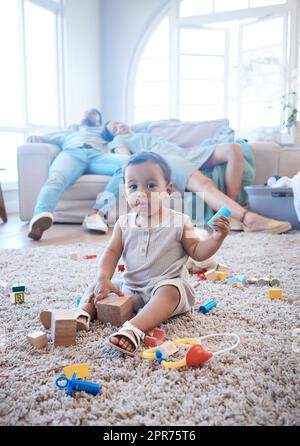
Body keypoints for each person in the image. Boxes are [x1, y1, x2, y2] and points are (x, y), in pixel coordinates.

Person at [77, 152, 231, 355]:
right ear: (126, 193)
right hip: (131, 288)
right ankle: (82, 314)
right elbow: (112, 252)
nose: (141, 193)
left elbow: (197, 251)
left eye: (150, 186)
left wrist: (217, 238)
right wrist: (103, 277)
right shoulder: (123, 223)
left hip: (166, 286)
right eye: (133, 186)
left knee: (170, 290)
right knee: (97, 286)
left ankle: (134, 328)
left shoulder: (180, 221)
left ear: (167, 190)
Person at [101, 120, 292, 234]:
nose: (119, 127)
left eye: (118, 123)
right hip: (165, 160)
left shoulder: (144, 132)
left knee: (233, 149)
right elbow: (128, 161)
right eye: (114, 129)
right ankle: (249, 219)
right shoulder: (120, 141)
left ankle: (229, 213)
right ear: (113, 137)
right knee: (205, 184)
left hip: (188, 153)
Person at [26, 109, 130, 240]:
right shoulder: (69, 131)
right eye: (86, 113)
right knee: (57, 178)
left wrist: (123, 130)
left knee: (128, 164)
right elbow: (43, 137)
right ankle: (39, 217)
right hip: (71, 154)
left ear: (99, 122)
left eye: (93, 114)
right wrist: (36, 137)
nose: (88, 114)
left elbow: (124, 138)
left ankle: (96, 214)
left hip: (97, 156)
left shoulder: (104, 132)